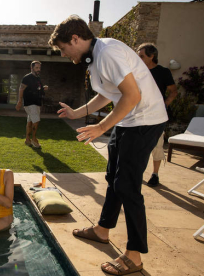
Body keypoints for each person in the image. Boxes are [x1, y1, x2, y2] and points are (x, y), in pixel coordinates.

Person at [49, 15, 168, 275]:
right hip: (129, 121)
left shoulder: (108, 52)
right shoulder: (96, 56)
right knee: (114, 178)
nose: (63, 53)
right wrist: (76, 113)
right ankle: (102, 230)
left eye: (63, 47)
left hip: (145, 121)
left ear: (75, 39)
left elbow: (132, 95)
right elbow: (108, 93)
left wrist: (102, 127)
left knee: (127, 185)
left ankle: (134, 256)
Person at [137, 43, 178, 187]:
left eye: (141, 56)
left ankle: (155, 174)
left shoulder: (163, 72)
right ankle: (136, 173)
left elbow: (173, 91)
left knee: (157, 145)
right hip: (139, 114)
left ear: (152, 56)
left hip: (157, 116)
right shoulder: (137, 71)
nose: (138, 58)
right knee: (137, 145)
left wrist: (165, 104)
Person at [16, 61, 48, 148]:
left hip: (36, 103)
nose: (39, 69)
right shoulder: (27, 77)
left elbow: (37, 89)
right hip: (30, 103)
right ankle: (34, 139)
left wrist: (43, 88)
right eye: (37, 68)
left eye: (39, 68)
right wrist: (19, 101)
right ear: (32, 68)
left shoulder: (37, 78)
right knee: (36, 121)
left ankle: (27, 140)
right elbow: (21, 89)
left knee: (30, 122)